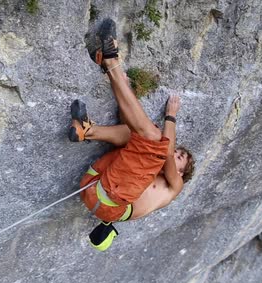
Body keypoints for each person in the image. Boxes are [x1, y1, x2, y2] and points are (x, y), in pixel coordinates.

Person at [68, 18, 195, 251]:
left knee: (155, 141)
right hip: (96, 184)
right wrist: (124, 88)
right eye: (178, 152)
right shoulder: (144, 168)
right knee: (139, 137)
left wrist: (171, 117)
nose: (174, 153)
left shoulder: (174, 187)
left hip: (110, 202)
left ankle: (111, 60)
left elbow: (164, 150)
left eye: (179, 158)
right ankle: (87, 130)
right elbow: (133, 126)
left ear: (180, 172)